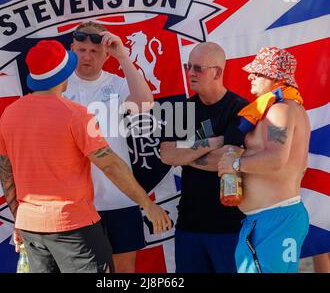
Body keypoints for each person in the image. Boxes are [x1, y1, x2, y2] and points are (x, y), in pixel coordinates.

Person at [0, 40, 171, 273]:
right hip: (73, 224)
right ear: (64, 74)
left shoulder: (10, 113)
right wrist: (147, 204)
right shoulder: (75, 114)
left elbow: (5, 171)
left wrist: (19, 217)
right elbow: (110, 165)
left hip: (31, 226)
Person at [63, 21, 154, 273]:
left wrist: (123, 56)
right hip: (77, 202)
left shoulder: (115, 83)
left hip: (119, 195)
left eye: (94, 52)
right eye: (81, 50)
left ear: (106, 54)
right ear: (72, 49)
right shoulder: (59, 86)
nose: (87, 57)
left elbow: (145, 104)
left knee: (123, 270)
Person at [218, 46, 310, 273]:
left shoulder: (281, 110)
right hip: (267, 220)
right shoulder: (280, 108)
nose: (250, 75)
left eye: (257, 72)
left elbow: (276, 158)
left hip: (275, 220)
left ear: (275, 78)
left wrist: (236, 163)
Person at [160, 42, 248, 273]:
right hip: (189, 223)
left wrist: (186, 154)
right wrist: (213, 142)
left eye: (198, 68)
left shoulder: (240, 109)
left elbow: (230, 160)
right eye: (188, 66)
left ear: (218, 72)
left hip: (230, 225)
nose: (190, 73)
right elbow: (167, 154)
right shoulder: (183, 109)